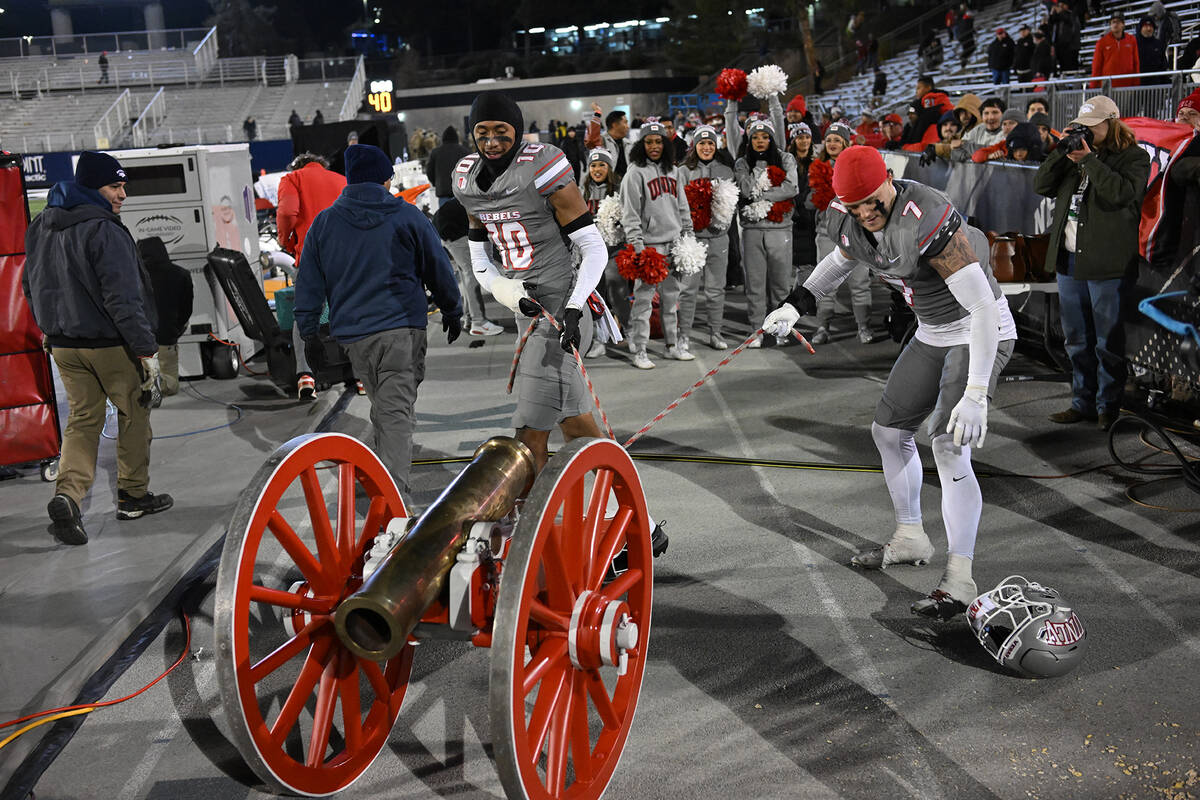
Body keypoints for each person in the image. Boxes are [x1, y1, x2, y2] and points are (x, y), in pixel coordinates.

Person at [762, 145, 1017, 620]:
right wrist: (796, 303)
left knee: (947, 444)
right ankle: (909, 534)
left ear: (890, 182)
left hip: (979, 328)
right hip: (933, 330)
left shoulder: (927, 215)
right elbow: (838, 264)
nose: (865, 213)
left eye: (872, 201)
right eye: (854, 205)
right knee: (888, 431)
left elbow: (981, 307)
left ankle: (960, 576)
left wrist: (977, 392)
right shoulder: (846, 217)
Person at [452, 92, 612, 479]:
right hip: (526, 309)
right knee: (576, 426)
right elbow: (479, 262)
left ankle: (530, 527)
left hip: (561, 307)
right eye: (483, 132)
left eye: (501, 132)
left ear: (518, 131)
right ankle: (640, 522)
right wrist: (508, 291)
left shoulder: (542, 165)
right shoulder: (467, 179)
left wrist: (574, 307)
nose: (491, 142)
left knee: (529, 434)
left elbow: (594, 247)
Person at [296, 144, 463, 497]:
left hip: (355, 335)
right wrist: (452, 308)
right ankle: (394, 504)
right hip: (401, 327)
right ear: (387, 178)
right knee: (396, 412)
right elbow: (438, 266)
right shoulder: (407, 216)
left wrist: (309, 331)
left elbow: (309, 284)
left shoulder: (324, 223)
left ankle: (381, 469)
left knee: (385, 403)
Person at [23, 151, 172, 545]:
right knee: (134, 414)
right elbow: (123, 299)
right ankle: (133, 496)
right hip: (110, 344)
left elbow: (28, 285)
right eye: (114, 187)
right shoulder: (103, 228)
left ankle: (68, 497)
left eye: (123, 186)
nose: (122, 194)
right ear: (91, 188)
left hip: (63, 345)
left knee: (83, 422)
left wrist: (46, 326)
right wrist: (145, 351)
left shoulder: (41, 225)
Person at [1034, 96, 1150, 431]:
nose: (1085, 132)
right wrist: (1061, 151)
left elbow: (1122, 195)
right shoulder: (1072, 154)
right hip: (1069, 261)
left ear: (1111, 123)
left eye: (1092, 126)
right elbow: (1041, 185)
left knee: (1107, 343)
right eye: (1082, 126)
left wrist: (1090, 161)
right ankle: (1082, 402)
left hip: (1108, 265)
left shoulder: (1134, 157)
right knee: (1076, 340)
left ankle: (1108, 407)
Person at [621, 120, 695, 366]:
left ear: (666, 144)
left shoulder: (673, 170)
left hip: (674, 245)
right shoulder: (634, 173)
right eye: (649, 142)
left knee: (671, 300)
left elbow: (682, 207)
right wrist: (638, 248)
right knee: (643, 302)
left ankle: (671, 345)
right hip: (650, 247)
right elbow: (630, 215)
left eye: (658, 141)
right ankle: (640, 350)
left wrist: (688, 237)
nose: (654, 146)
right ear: (641, 144)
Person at [276, 152, 347, 400]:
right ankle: (358, 374)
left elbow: (286, 212)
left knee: (306, 313)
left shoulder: (292, 179)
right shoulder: (341, 180)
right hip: (343, 256)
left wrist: (286, 241)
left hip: (309, 256)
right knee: (347, 309)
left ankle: (305, 375)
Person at [809, 123, 872, 345]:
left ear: (846, 142)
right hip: (826, 233)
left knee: (860, 282)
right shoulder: (816, 167)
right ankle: (823, 327)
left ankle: (863, 326)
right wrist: (819, 196)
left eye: (837, 139)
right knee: (826, 283)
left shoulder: (856, 165)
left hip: (856, 233)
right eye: (829, 140)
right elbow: (809, 202)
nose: (833, 143)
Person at [678, 125, 738, 351]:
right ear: (694, 145)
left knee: (716, 289)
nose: (706, 147)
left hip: (718, 239)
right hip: (692, 240)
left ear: (716, 145)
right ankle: (684, 335)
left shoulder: (726, 171)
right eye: (702, 143)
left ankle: (715, 332)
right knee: (688, 290)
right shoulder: (682, 171)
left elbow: (731, 207)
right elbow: (679, 206)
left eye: (710, 143)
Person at [431, 198, 503, 338]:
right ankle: (479, 323)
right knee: (472, 274)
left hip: (445, 228)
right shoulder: (488, 199)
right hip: (453, 231)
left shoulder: (474, 193)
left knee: (465, 273)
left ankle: (469, 317)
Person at [580, 148, 629, 343]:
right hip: (590, 253)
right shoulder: (581, 190)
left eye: (602, 165)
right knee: (596, 295)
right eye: (593, 165)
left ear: (609, 167)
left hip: (615, 250)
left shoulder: (620, 189)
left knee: (618, 290)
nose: (597, 169)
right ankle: (601, 338)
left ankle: (628, 329)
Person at [137, 236, 193, 398]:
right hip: (167, 336)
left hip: (142, 339)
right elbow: (186, 309)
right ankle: (156, 386)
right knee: (171, 385)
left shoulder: (136, 276)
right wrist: (175, 329)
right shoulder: (181, 274)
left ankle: (148, 386)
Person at [425, 126, 471, 208]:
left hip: (443, 193)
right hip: (461, 194)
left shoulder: (435, 152)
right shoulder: (465, 152)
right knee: (462, 219)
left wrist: (436, 184)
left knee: (445, 219)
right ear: (456, 138)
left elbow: (429, 171)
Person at [1091, 13, 1139, 89]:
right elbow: (1097, 65)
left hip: (1127, 84)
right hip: (1108, 85)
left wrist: (1136, 83)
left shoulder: (1131, 40)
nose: (1115, 24)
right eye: (1113, 22)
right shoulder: (1102, 42)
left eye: (1118, 22)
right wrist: (1093, 85)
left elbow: (1136, 62)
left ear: (1123, 25)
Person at [1137, 17, 1169, 85]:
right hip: (1138, 84)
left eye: (1150, 26)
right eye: (1145, 26)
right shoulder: (1134, 44)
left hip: (1156, 84)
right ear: (1140, 28)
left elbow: (1163, 65)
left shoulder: (1158, 44)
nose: (1148, 29)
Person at [1053, 2, 1082, 73]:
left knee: (1071, 68)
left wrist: (1060, 13)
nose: (1060, 7)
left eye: (1062, 5)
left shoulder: (1072, 15)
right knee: (1063, 69)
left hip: (1071, 47)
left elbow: (1069, 22)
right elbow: (1052, 21)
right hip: (1061, 48)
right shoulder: (1059, 18)